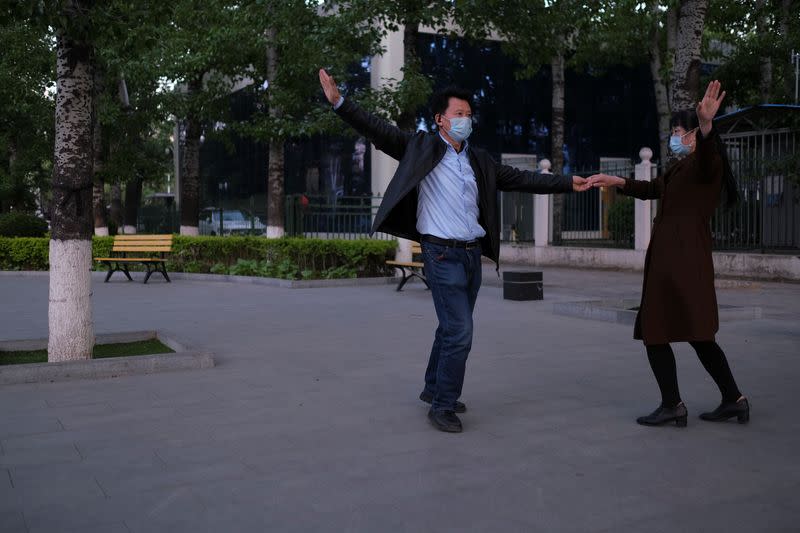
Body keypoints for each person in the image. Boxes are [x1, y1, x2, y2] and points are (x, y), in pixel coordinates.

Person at [319, 69, 591, 433]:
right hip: (441, 254)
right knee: (461, 330)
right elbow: (379, 130)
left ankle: (434, 388)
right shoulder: (421, 147)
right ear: (440, 120)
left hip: (470, 256)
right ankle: (443, 405)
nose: (466, 120)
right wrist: (340, 103)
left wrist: (566, 183)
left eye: (468, 114)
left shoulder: (479, 161)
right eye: (459, 114)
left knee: (450, 328)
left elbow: (523, 178)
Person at [589, 80, 749, 427]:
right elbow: (651, 188)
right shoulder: (680, 168)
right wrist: (616, 182)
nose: (673, 137)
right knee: (699, 335)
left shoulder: (709, 163)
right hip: (675, 260)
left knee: (657, 330)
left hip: (681, 261)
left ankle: (674, 404)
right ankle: (734, 400)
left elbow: (708, 157)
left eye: (678, 131)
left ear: (693, 135)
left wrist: (706, 124)